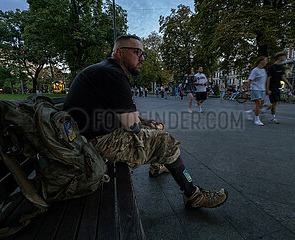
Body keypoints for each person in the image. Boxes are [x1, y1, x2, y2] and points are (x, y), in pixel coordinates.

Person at [64, 35, 228, 208]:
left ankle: (157, 166)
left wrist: (147, 122)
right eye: (137, 52)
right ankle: (193, 195)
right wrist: (143, 125)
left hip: (82, 137)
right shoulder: (113, 74)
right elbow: (132, 126)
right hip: (93, 144)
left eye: (143, 54)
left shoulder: (107, 70)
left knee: (155, 130)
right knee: (167, 141)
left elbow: (126, 114)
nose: (142, 58)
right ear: (120, 52)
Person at [266, 51, 292, 124]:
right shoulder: (272, 67)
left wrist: (288, 83)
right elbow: (268, 78)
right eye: (283, 56)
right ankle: (272, 116)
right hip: (272, 86)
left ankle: (270, 114)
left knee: (275, 102)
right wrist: (267, 89)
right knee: (274, 102)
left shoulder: (281, 67)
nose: (285, 58)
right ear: (279, 57)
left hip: (277, 86)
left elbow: (282, 76)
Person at [245, 56, 269, 126]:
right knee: (258, 104)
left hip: (262, 89)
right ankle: (257, 120)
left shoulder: (264, 70)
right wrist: (248, 89)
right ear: (261, 61)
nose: (267, 62)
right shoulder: (255, 70)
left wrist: (267, 89)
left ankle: (250, 112)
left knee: (261, 105)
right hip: (255, 89)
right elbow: (249, 80)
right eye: (266, 60)